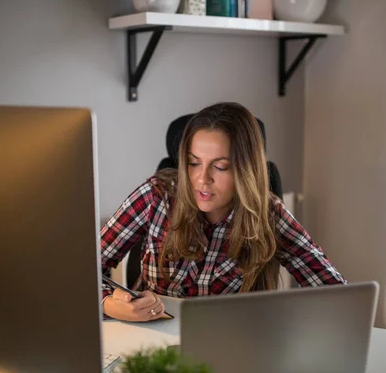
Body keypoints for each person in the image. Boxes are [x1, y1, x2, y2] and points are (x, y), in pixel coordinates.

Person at [100, 102, 346, 322]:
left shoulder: (268, 214)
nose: (202, 179)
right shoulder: (156, 196)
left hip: (231, 344)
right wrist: (110, 304)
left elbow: (337, 295)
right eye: (193, 162)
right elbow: (81, 272)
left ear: (245, 170)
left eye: (220, 167)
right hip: (151, 341)